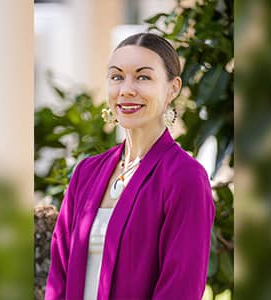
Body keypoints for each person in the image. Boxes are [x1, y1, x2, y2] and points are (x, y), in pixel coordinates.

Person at [45, 32, 215, 300]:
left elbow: (179, 289)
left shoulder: (185, 178)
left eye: (143, 77)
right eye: (117, 76)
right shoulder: (86, 173)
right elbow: (59, 277)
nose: (126, 89)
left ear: (173, 88)